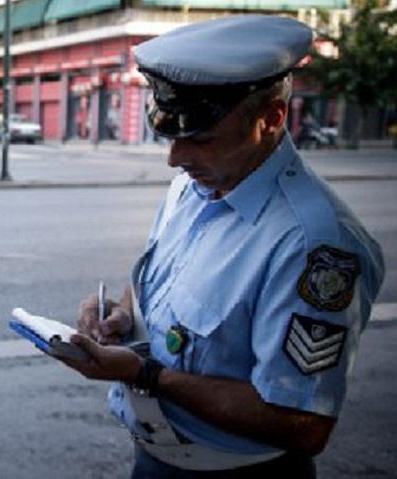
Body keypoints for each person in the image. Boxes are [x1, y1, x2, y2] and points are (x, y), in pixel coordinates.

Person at [54, 15, 386, 478]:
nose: (176, 158)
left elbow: (303, 423)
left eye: (202, 139)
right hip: (153, 456)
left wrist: (143, 374)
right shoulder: (195, 187)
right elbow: (159, 282)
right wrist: (120, 313)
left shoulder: (314, 245)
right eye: (170, 136)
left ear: (270, 119)